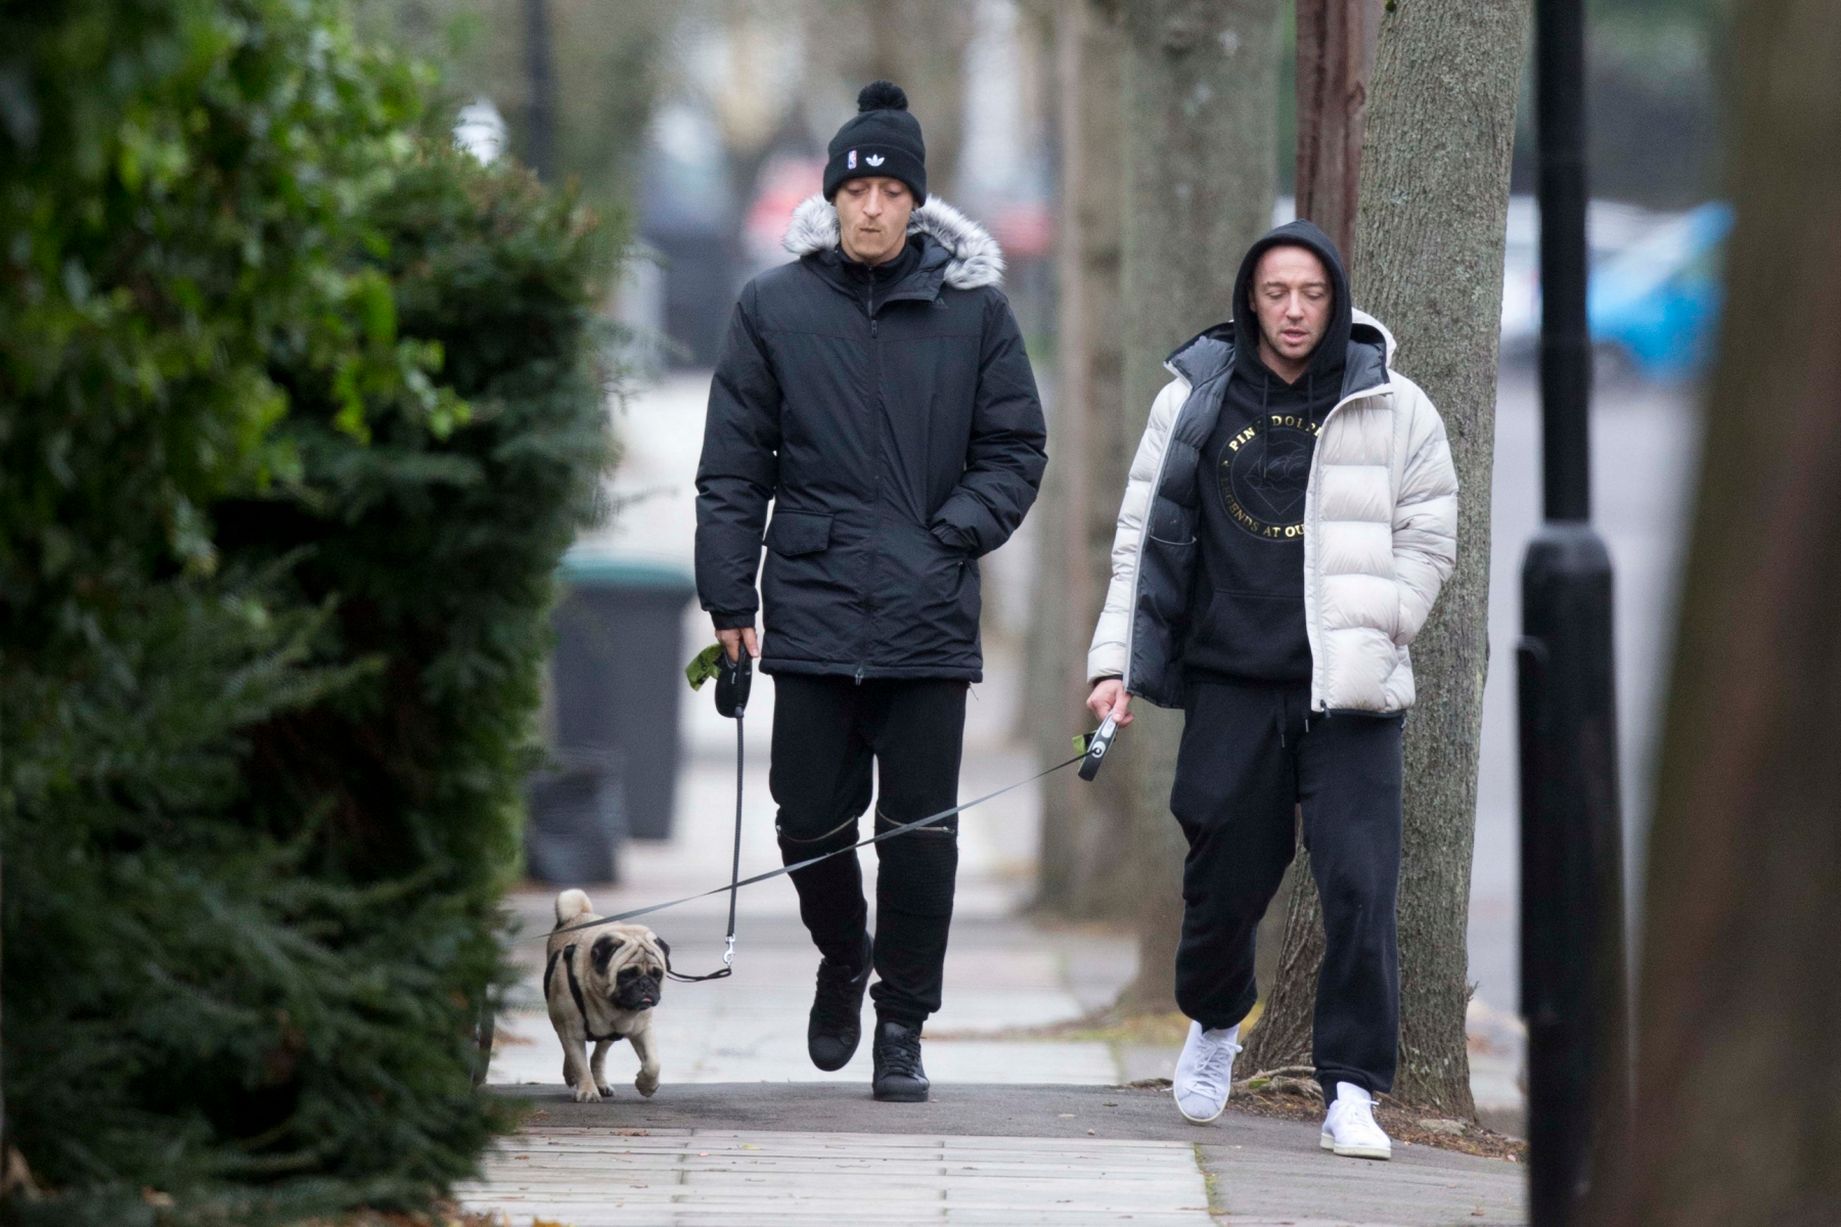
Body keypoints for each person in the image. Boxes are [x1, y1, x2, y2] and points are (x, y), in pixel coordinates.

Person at [694, 81, 1047, 1103]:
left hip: (926, 613)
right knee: (806, 821)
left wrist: (951, 537)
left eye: (891, 189)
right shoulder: (771, 307)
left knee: (921, 835)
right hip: (805, 609)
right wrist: (731, 610)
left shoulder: (974, 312)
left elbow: (1015, 446)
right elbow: (732, 470)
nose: (871, 207)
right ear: (832, 199)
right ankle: (842, 956)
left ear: (915, 203)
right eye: (856, 189)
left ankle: (902, 1021)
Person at [1084, 220, 1457, 1159]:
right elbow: (1141, 539)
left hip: (1348, 695)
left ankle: (1351, 1088)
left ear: (1334, 300)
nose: (1294, 311)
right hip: (1230, 681)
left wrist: (1387, 618)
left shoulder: (1390, 402)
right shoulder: (1195, 399)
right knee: (1222, 876)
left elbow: (1429, 529)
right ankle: (1214, 1021)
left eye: (1312, 293)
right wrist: (1114, 663)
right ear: (1249, 299)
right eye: (1275, 292)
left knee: (1359, 885)